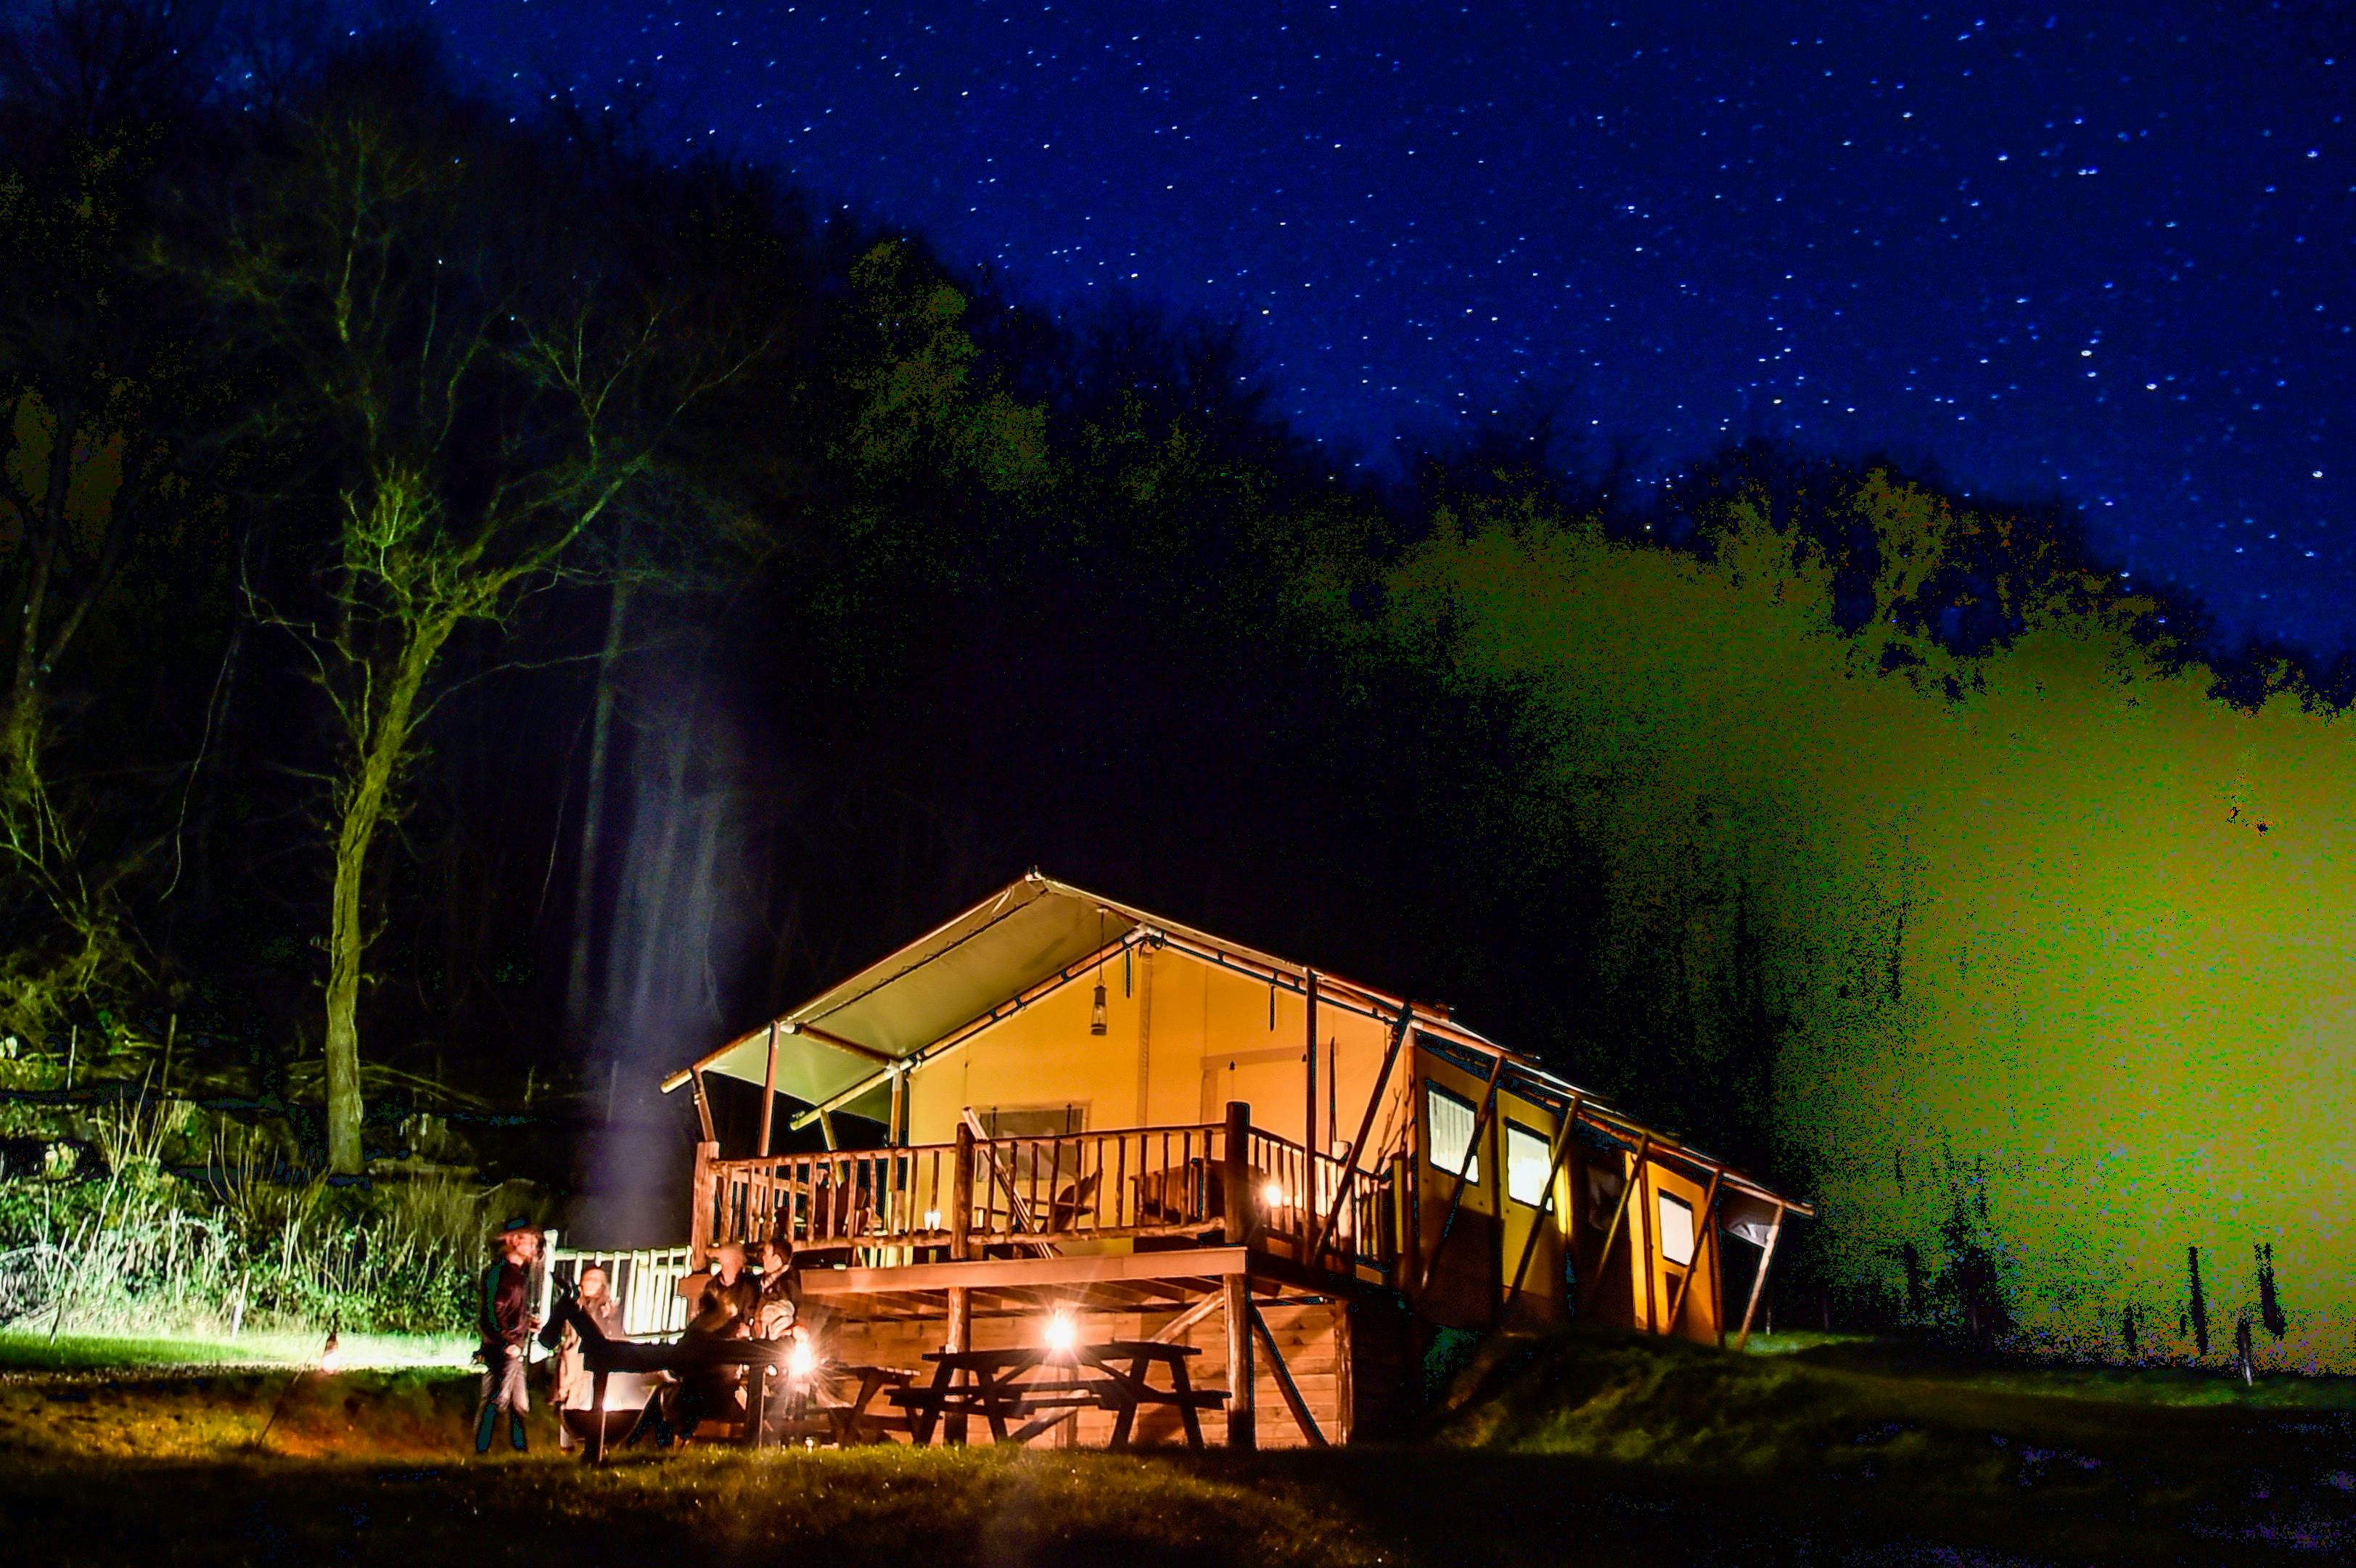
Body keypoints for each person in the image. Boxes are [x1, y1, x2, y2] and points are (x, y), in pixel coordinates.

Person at [668, 1243, 758, 1443]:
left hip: (711, 1386)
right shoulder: (712, 1288)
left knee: (676, 1397)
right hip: (711, 1386)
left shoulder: (747, 1288)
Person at [474, 1218, 542, 1455]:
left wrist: (525, 1323)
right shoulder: (504, 1274)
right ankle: (482, 1451)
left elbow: (506, 1310)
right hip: (505, 1348)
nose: (534, 1248)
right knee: (497, 1399)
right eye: (530, 1242)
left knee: (518, 1403)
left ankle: (520, 1451)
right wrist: (508, 1341)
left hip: (511, 1345)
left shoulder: (512, 1275)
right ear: (514, 1241)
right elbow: (493, 1312)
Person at [551, 1263, 625, 1450]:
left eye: (596, 1280)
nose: (591, 1284)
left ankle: (597, 1443)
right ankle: (566, 1446)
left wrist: (610, 1318)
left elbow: (616, 1335)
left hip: (595, 1361)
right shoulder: (573, 1304)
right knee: (569, 1401)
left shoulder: (608, 1308)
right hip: (573, 1359)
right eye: (588, 1279)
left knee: (594, 1399)